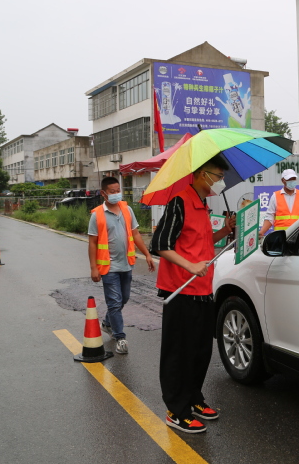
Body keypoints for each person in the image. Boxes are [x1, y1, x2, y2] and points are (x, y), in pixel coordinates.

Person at [151, 155, 236, 434]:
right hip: (181, 291)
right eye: (218, 176)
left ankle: (194, 398)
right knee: (178, 353)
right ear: (202, 174)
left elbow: (200, 243)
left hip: (203, 290)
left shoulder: (202, 204)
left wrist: (225, 231)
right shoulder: (180, 201)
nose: (221, 181)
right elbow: (160, 243)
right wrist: (190, 266)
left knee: (200, 351)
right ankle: (176, 410)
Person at [88, 176, 155, 355]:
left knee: (123, 299)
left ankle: (107, 323)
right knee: (115, 302)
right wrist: (94, 268)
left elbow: (136, 234)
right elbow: (92, 243)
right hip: (108, 267)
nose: (117, 194)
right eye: (112, 192)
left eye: (118, 191)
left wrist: (147, 254)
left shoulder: (127, 210)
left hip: (126, 264)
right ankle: (120, 338)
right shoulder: (97, 215)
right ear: (103, 193)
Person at [259, 169, 299, 236]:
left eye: (294, 179)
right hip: (280, 237)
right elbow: (269, 218)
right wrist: (262, 232)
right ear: (283, 180)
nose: (292, 181)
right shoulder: (275, 196)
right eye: (289, 179)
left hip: (298, 236)